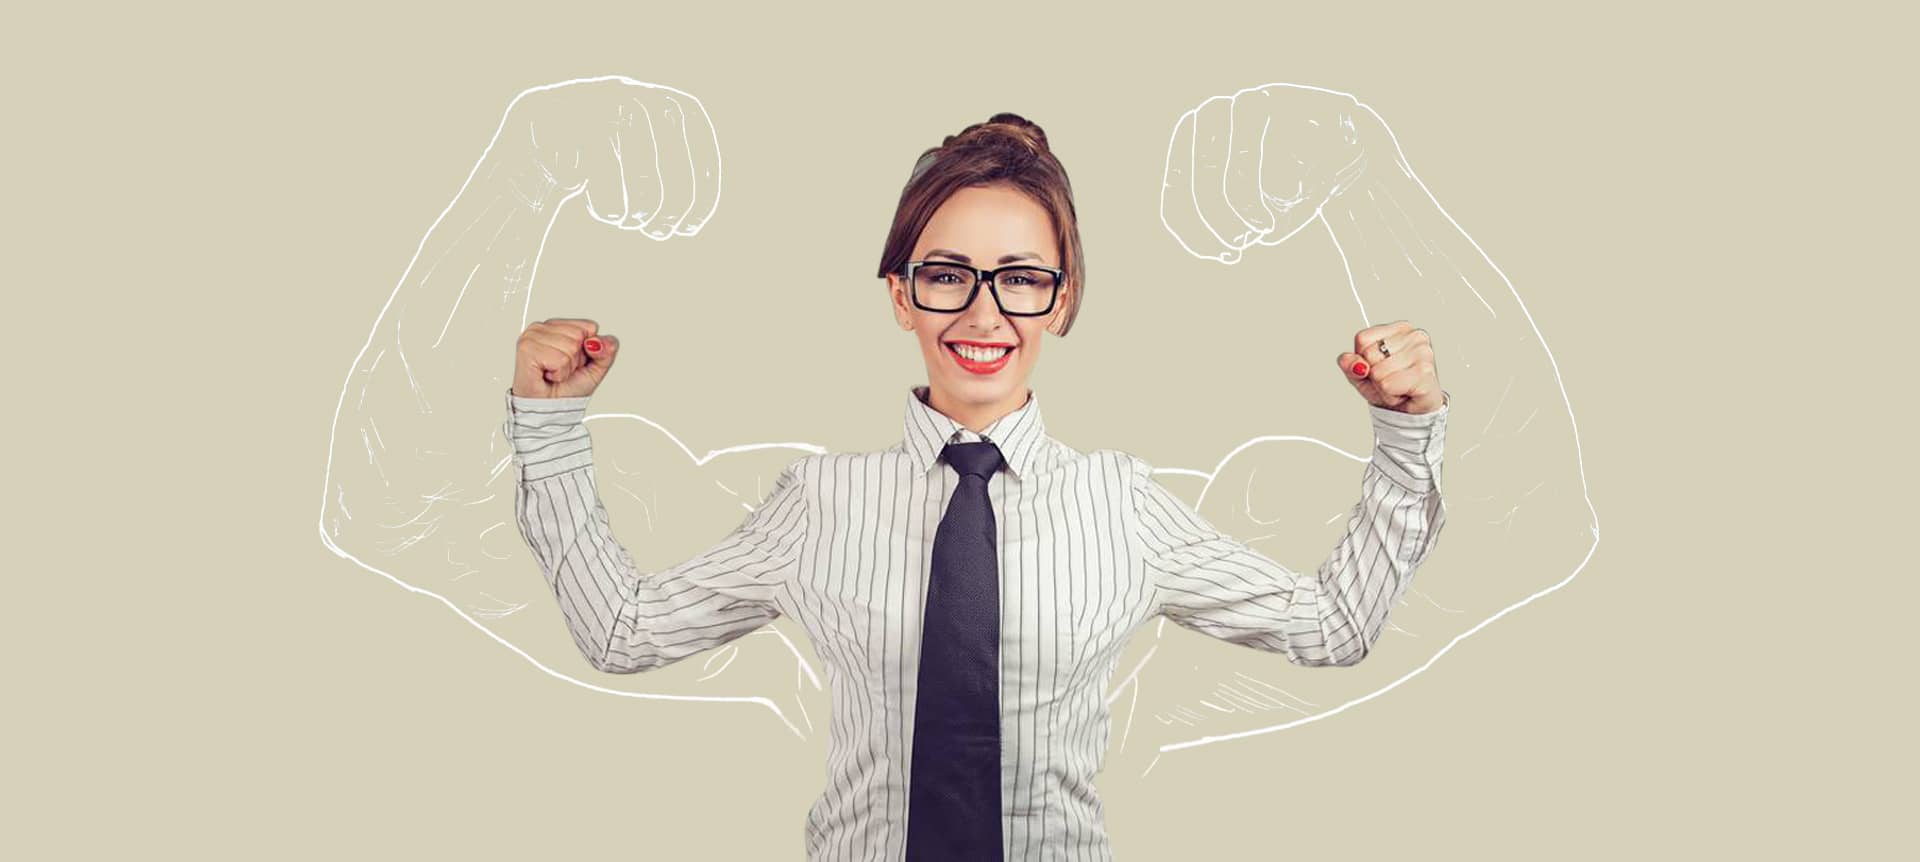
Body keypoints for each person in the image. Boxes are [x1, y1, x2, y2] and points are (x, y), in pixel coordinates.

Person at [503, 112, 1450, 861]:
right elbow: (623, 633)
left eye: (1023, 279)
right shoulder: (820, 503)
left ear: (1063, 299)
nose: (985, 312)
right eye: (948, 274)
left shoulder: (1122, 507)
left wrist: (1406, 434)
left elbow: (1332, 628)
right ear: (900, 294)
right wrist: (547, 427)